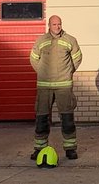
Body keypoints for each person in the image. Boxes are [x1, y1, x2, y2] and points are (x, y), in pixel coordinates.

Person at [29, 14, 83, 161]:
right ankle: (39, 148)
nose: (57, 27)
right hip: (44, 86)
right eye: (54, 24)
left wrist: (68, 72)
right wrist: (42, 72)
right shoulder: (41, 40)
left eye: (59, 24)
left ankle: (70, 149)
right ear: (49, 25)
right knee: (42, 118)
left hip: (63, 86)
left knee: (67, 118)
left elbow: (77, 58)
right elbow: (33, 58)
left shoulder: (70, 40)